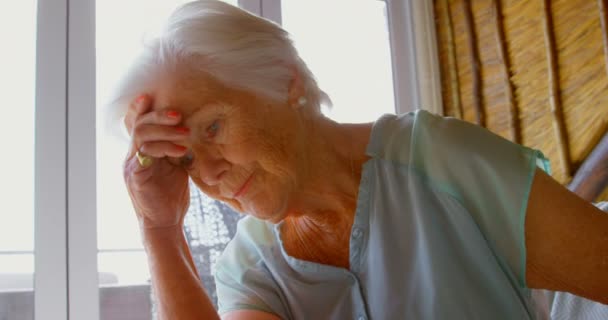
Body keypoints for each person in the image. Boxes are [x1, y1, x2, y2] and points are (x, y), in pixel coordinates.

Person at [112, 1, 608, 319]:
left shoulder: (437, 162)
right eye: (189, 160)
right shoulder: (252, 269)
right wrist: (158, 229)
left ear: (287, 81)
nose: (212, 173)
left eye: (213, 128)